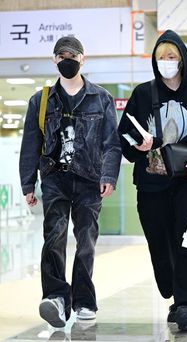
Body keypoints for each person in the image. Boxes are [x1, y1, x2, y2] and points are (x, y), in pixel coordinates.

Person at [118, 29, 187, 332]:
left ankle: (186, 304)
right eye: (161, 57)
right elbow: (124, 135)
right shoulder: (142, 93)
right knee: (161, 244)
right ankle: (173, 294)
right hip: (151, 184)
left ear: (182, 60)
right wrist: (136, 145)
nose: (166, 61)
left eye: (172, 56)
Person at [19, 36, 121, 327]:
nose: (67, 60)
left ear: (82, 59)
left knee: (86, 239)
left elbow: (111, 144)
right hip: (54, 179)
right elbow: (31, 144)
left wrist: (109, 176)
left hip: (90, 179)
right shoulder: (40, 100)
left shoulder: (100, 98)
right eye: (61, 55)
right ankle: (56, 298)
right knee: (54, 236)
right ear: (54, 60)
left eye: (72, 56)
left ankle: (84, 300)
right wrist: (28, 183)